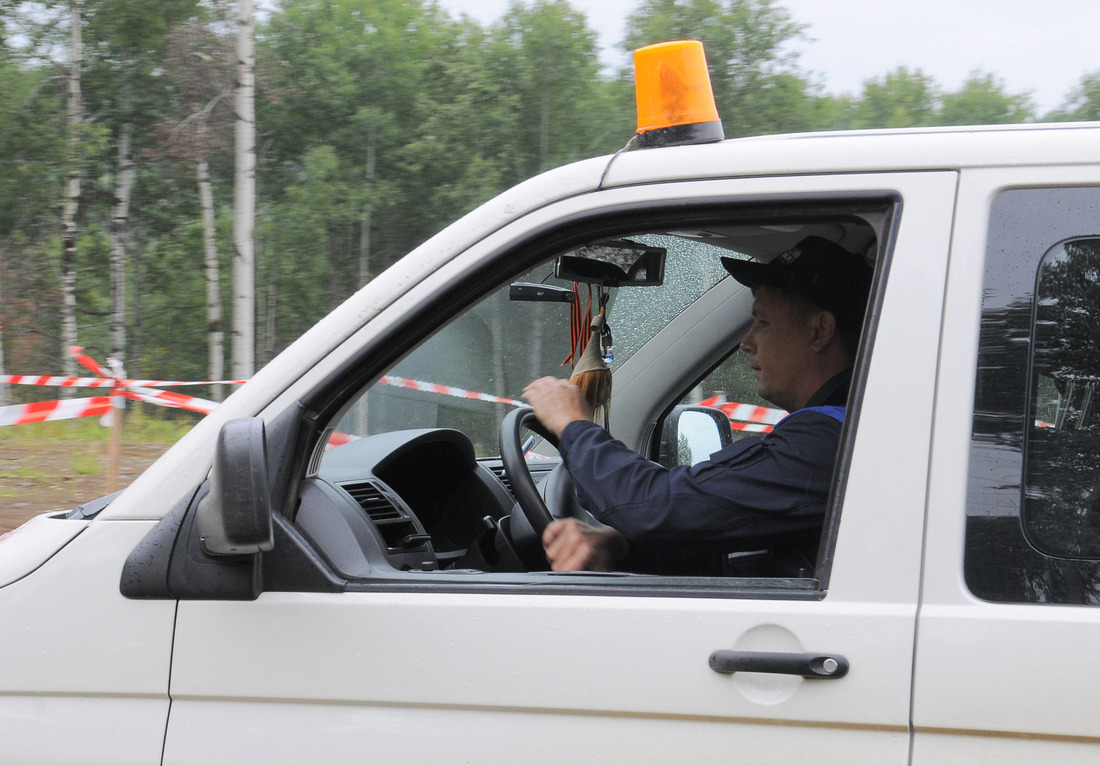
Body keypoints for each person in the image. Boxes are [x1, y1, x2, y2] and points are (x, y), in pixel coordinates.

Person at [522, 235, 873, 577]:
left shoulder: (829, 443)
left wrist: (573, 426)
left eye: (763, 323)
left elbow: (651, 506)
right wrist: (624, 549)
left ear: (819, 331)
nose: (746, 343)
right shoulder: (846, 433)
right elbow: (753, 565)